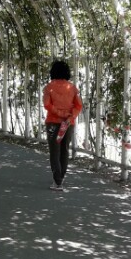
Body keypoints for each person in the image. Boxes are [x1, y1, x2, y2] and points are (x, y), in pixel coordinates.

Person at [43, 60, 83, 191]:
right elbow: (79, 105)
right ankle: (61, 177)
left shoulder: (49, 87)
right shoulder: (73, 88)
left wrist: (60, 113)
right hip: (68, 123)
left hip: (53, 123)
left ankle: (57, 181)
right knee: (64, 150)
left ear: (53, 72)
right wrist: (70, 117)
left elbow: (47, 104)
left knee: (55, 151)